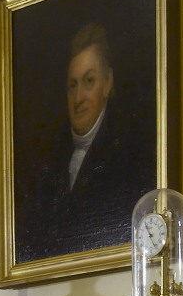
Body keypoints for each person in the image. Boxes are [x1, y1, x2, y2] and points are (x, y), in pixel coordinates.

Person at [20, 22, 147, 260]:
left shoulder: (128, 155)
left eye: (89, 82)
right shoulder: (50, 161)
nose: (79, 98)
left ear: (107, 83)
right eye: (72, 86)